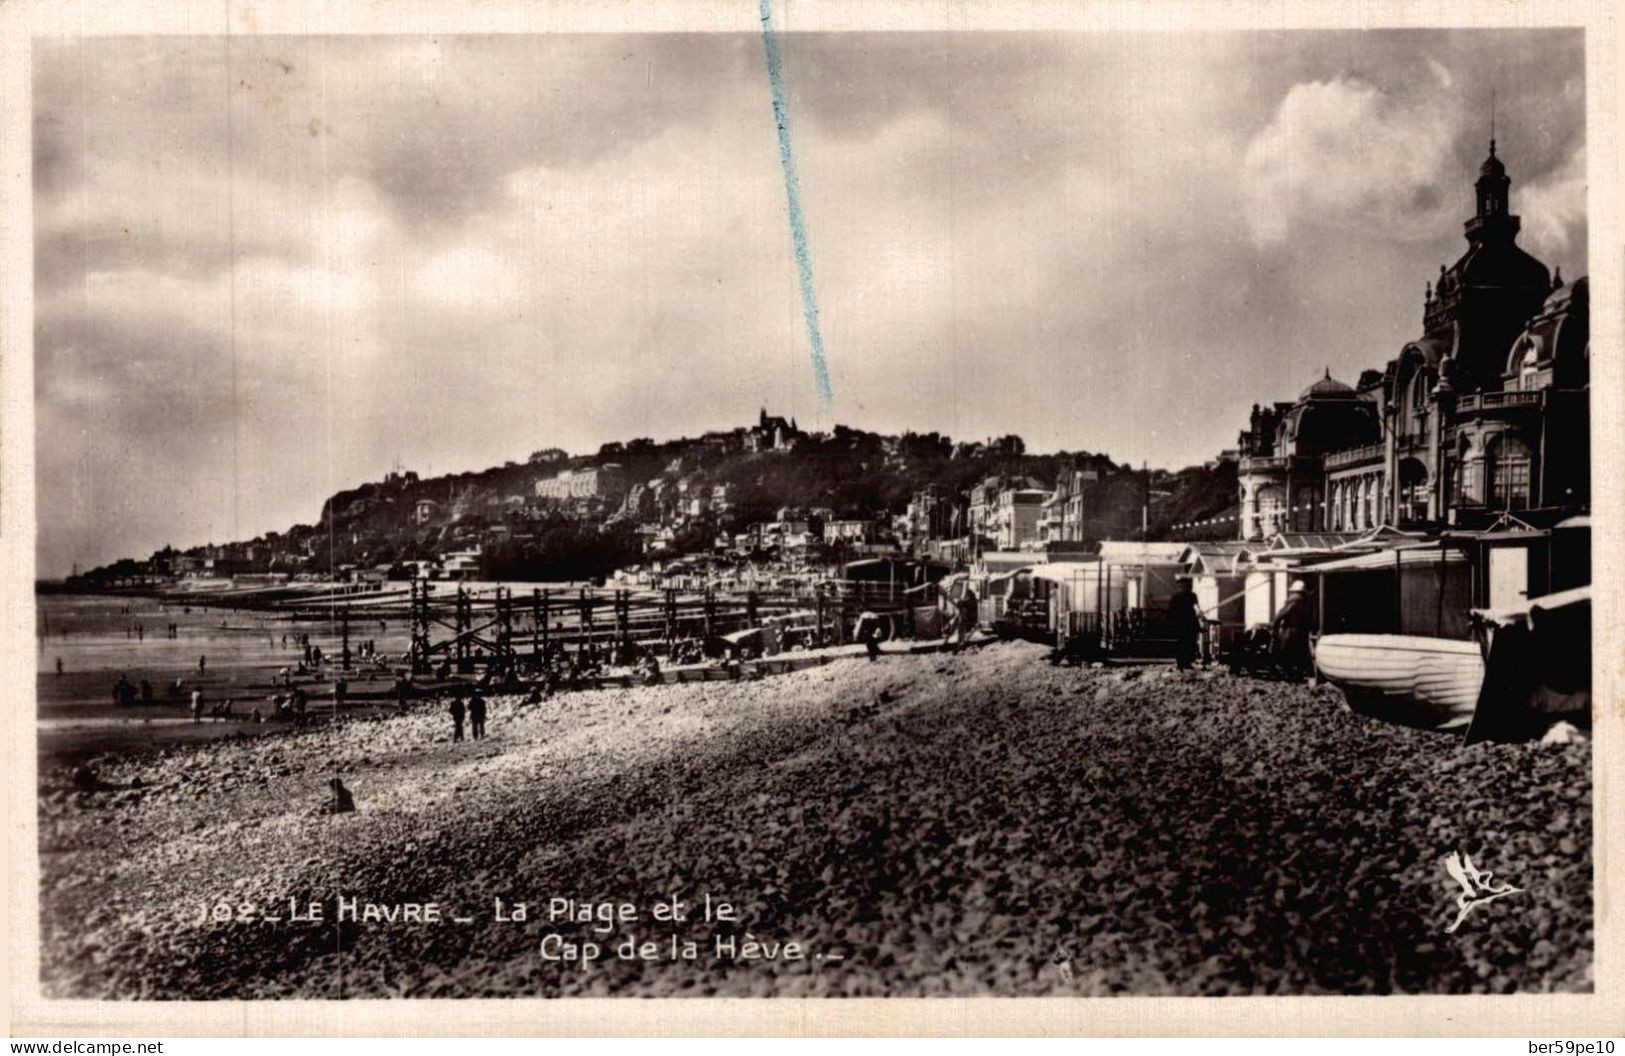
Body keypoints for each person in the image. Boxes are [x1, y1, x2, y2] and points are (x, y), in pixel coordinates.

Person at [1272, 580, 1315, 681]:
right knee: (1301, 654)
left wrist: (1275, 629)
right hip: (1302, 632)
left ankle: (1290, 677)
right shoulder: (1307, 603)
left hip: (1290, 631)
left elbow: (1279, 616)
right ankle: (1300, 676)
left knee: (1287, 654)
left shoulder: (1291, 602)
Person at [1167, 576, 1204, 671]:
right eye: (1182, 585)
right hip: (1180, 623)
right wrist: (1172, 623)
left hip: (1191, 622)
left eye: (1186, 585)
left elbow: (1196, 606)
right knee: (1181, 643)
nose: (1184, 587)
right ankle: (1180, 663)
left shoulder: (1192, 595)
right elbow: (1171, 611)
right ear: (1179, 586)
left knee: (1191, 643)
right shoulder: (1175, 597)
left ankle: (1187, 662)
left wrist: (1199, 611)